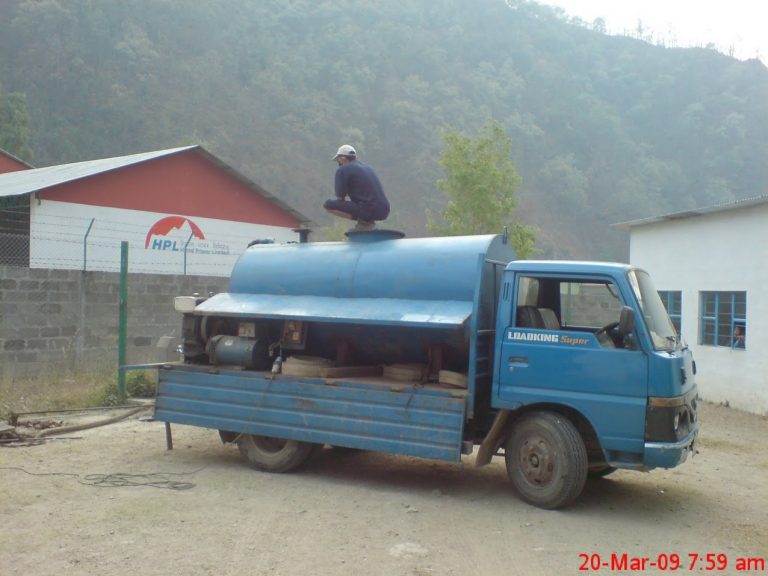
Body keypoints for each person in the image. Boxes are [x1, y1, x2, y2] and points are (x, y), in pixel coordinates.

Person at [324, 145, 390, 231]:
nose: (339, 164)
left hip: (367, 209)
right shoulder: (368, 167)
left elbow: (340, 197)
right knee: (362, 204)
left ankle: (364, 223)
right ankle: (368, 221)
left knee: (328, 205)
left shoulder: (342, 170)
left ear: (342, 158)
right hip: (384, 210)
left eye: (338, 161)